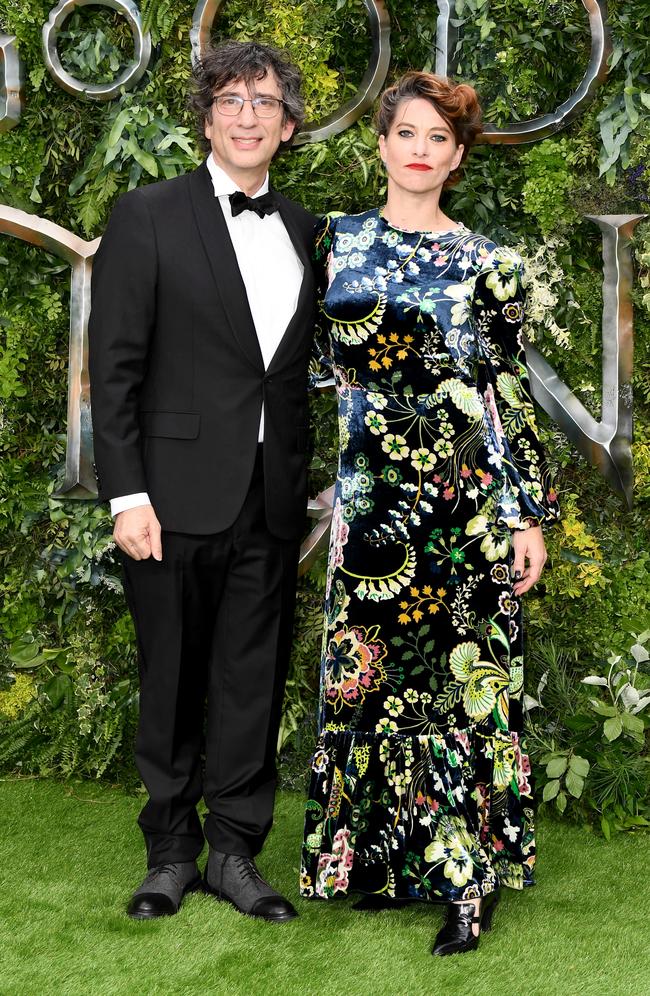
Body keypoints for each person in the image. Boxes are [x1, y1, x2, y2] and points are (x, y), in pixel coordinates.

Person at [300, 71, 560, 955]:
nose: (419, 149)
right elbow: (304, 367)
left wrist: (527, 514)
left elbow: (506, 395)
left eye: (437, 139)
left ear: (456, 156)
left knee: (457, 691)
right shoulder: (330, 241)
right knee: (371, 682)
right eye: (405, 132)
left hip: (462, 507)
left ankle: (465, 885)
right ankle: (377, 861)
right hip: (369, 501)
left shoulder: (491, 263)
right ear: (380, 143)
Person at [89, 40, 316, 923]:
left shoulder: (304, 229)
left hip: (269, 496)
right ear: (209, 117)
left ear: (288, 125)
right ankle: (170, 853)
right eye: (231, 100)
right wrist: (126, 493)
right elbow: (113, 369)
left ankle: (235, 853)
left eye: (264, 102)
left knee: (250, 681)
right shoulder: (147, 213)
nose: (248, 115)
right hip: (169, 497)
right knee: (172, 677)